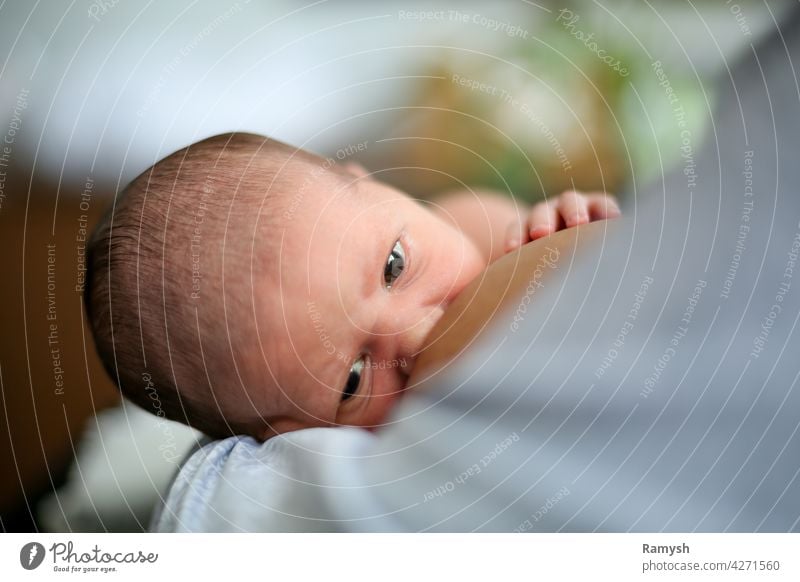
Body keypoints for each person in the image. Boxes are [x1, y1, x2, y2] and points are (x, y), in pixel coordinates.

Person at [85, 134, 620, 441]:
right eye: (351, 382)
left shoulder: (484, 227)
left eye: (393, 266)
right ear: (284, 438)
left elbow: (615, 265)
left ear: (374, 184)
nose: (416, 335)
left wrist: (571, 222)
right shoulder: (391, 456)